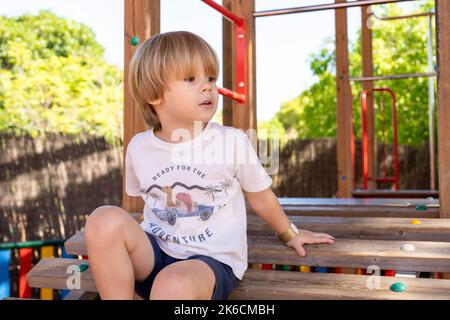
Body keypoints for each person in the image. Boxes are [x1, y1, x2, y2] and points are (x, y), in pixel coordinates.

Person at [84, 31, 335, 300]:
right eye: (191, 79)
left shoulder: (231, 141)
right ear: (153, 94)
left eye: (211, 78)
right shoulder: (138, 147)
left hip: (209, 264)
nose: (208, 87)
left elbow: (261, 198)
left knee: (172, 283)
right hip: (154, 255)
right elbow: (142, 204)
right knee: (102, 219)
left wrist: (290, 234)